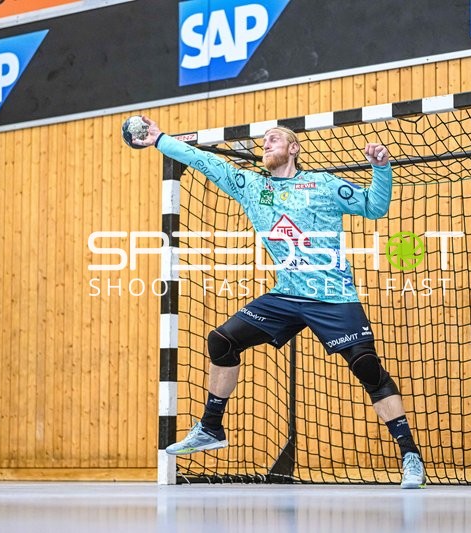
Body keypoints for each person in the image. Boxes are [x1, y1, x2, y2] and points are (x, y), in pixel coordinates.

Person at [130, 116, 425, 489]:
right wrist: (159, 140)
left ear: (294, 148)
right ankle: (210, 428)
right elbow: (205, 161)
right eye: (264, 141)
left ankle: (410, 456)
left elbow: (374, 206)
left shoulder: (323, 185)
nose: (266, 144)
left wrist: (381, 168)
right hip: (286, 295)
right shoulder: (253, 187)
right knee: (222, 340)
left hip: (332, 296)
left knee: (368, 369)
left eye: (274, 139)